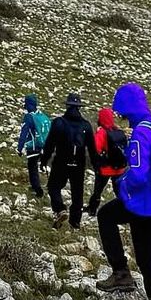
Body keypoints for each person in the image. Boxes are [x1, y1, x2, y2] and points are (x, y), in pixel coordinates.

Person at [96, 82, 151, 300]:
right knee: (147, 261)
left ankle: (121, 272)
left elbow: (139, 174)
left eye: (123, 112)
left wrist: (123, 185)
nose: (122, 116)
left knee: (105, 216)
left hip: (142, 203)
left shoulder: (140, 133)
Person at [41, 91, 97, 229]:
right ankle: (75, 221)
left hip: (61, 160)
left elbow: (50, 144)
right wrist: (97, 165)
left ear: (67, 106)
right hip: (79, 162)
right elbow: (92, 149)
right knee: (77, 192)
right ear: (79, 107)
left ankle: (60, 209)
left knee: (54, 186)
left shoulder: (59, 122)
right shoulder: (86, 125)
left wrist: (44, 160)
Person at [86, 107, 128, 214]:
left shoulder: (102, 132)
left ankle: (92, 209)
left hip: (105, 168)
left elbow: (95, 148)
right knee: (118, 191)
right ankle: (125, 209)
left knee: (98, 191)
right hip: (120, 168)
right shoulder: (118, 131)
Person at [16, 95, 51, 200]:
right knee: (41, 166)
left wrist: (20, 147)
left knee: (32, 167)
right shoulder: (43, 116)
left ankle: (37, 189)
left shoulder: (29, 117)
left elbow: (24, 133)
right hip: (44, 145)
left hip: (33, 146)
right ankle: (48, 186)